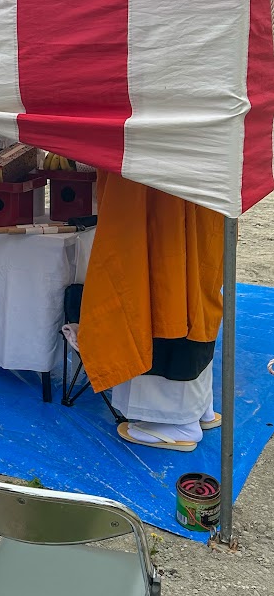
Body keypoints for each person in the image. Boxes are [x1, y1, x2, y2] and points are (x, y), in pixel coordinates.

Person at [77, 172, 223, 451]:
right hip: (200, 176)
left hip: (154, 183)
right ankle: (198, 406)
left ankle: (174, 423)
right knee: (196, 284)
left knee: (160, 289)